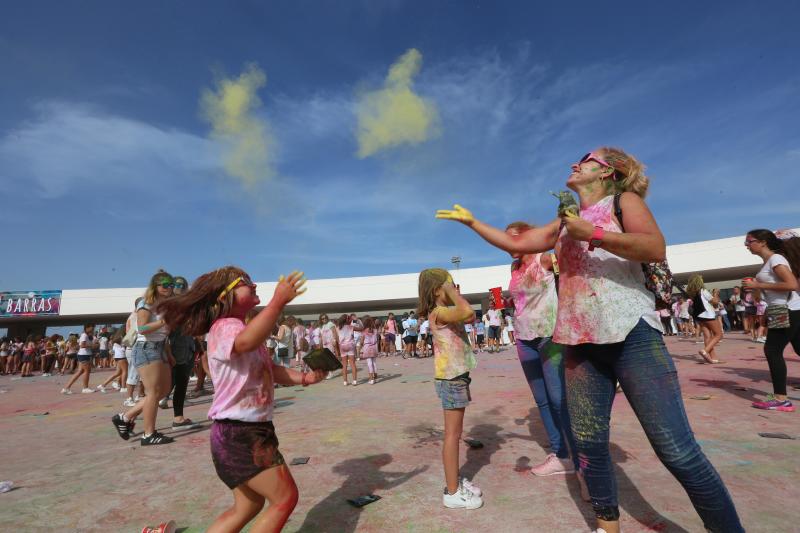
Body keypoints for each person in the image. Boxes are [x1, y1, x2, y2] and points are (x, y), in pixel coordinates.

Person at [436, 147, 743, 532]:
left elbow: (654, 246)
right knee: (590, 448)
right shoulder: (566, 221)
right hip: (578, 343)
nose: (574, 164)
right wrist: (472, 222)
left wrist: (594, 234)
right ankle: (606, 526)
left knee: (677, 451)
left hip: (633, 334)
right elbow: (519, 243)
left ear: (609, 172)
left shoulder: (622, 201)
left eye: (587, 159)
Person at [159, 267, 324, 532]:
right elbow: (245, 343)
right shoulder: (225, 326)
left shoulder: (242, 329)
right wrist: (277, 303)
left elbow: (270, 369)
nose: (253, 283)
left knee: (247, 506)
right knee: (285, 498)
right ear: (224, 297)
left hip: (241, 431)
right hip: (241, 433)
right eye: (244, 282)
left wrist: (305, 378)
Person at [505, 222, 582, 482]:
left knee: (560, 399)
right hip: (523, 338)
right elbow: (523, 298)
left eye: (512, 238)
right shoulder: (514, 268)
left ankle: (580, 461)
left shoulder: (546, 258)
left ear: (527, 237)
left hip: (549, 336)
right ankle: (560, 455)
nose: (507, 245)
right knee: (543, 401)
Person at [418, 268, 483, 510]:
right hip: (451, 378)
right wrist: (451, 293)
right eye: (451, 285)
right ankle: (452, 492)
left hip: (456, 376)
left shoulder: (445, 311)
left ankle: (455, 480)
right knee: (452, 436)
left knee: (455, 434)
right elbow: (467, 310)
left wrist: (452, 292)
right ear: (438, 290)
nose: (456, 289)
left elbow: (469, 317)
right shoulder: (439, 313)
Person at [111, 270, 176, 446]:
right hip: (147, 348)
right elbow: (142, 328)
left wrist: (169, 353)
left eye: (171, 285)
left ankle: (125, 417)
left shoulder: (166, 305)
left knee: (163, 391)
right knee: (153, 393)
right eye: (165, 285)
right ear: (155, 286)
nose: (169, 288)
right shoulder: (146, 303)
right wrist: (164, 321)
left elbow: (165, 332)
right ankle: (148, 434)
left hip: (160, 347)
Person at [743, 229, 800, 412]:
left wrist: (757, 285)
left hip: (786, 310)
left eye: (749, 241)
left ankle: (781, 399)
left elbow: (791, 284)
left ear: (763, 242)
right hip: (783, 310)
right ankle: (780, 397)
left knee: (772, 350)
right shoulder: (770, 261)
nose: (746, 245)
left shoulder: (776, 259)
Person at [166, 276, 199, 428]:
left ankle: (178, 418)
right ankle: (128, 416)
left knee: (181, 385)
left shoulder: (187, 306)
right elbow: (165, 332)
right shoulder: (169, 305)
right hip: (174, 350)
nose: (180, 287)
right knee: (163, 389)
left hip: (187, 349)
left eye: (183, 285)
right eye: (176, 284)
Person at [685, 275, 724, 364]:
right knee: (719, 334)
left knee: (707, 336)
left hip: (699, 316)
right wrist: (715, 294)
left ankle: (713, 358)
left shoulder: (693, 293)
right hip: (708, 314)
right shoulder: (703, 291)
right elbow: (714, 302)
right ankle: (705, 351)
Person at [62, 325, 98, 393]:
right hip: (84, 355)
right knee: (87, 371)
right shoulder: (84, 335)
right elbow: (82, 345)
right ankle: (85, 388)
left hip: (84, 354)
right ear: (87, 328)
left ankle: (66, 388)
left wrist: (94, 344)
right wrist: (92, 345)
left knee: (80, 372)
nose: (93, 329)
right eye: (92, 328)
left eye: (93, 328)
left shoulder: (87, 335)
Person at [336, 314, 358, 385]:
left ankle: (345, 381)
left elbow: (337, 338)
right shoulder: (350, 327)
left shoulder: (338, 327)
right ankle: (354, 381)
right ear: (347, 320)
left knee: (344, 365)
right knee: (352, 364)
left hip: (342, 346)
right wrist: (354, 319)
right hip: (350, 345)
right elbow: (358, 326)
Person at [359, 317, 380, 384]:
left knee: (369, 363)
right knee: (374, 363)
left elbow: (361, 342)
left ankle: (371, 379)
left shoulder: (364, 331)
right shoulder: (375, 330)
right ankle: (375, 377)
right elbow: (377, 339)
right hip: (374, 347)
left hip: (367, 347)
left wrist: (360, 348)